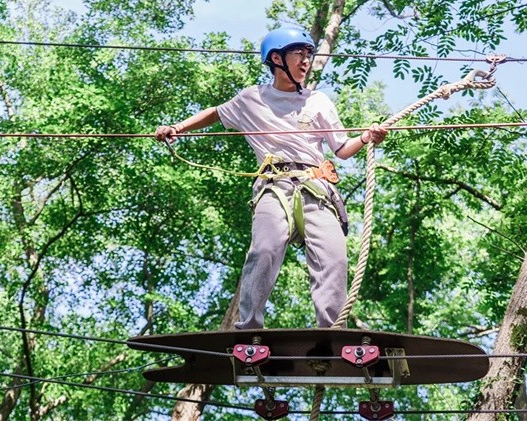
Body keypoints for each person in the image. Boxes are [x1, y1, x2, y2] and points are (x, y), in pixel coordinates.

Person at [155, 27, 387, 329]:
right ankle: (249, 328)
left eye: (309, 54)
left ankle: (333, 330)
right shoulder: (252, 99)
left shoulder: (318, 101)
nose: (306, 61)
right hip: (273, 187)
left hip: (315, 187)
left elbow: (342, 149)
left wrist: (367, 138)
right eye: (299, 54)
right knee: (264, 250)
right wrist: (178, 128)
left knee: (334, 257)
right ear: (277, 59)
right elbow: (216, 113)